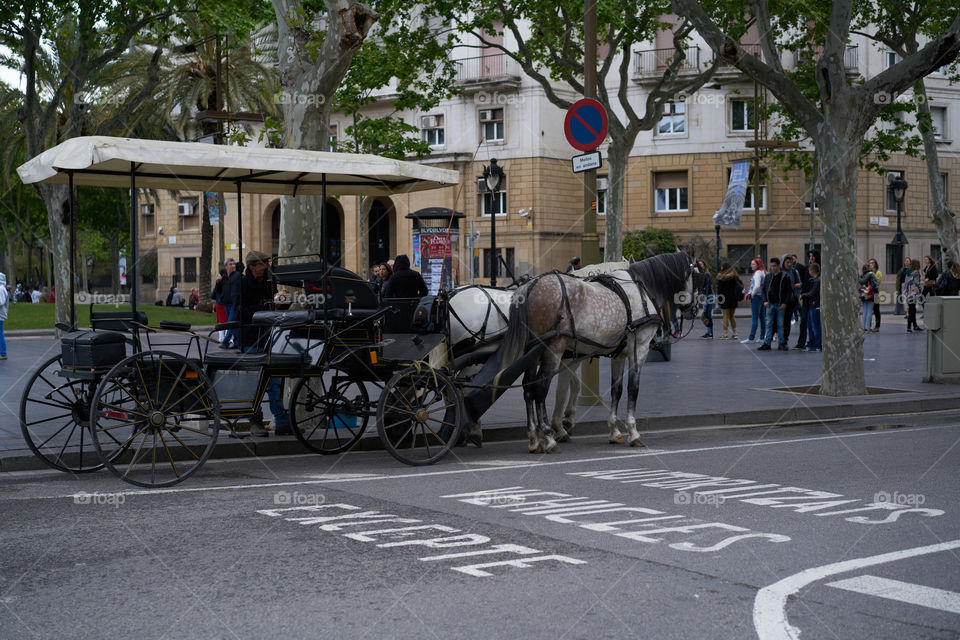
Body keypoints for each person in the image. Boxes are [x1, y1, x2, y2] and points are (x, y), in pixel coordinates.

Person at [239, 250, 290, 436]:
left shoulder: (269, 281)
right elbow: (243, 312)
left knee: (275, 381)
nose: (267, 267)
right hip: (251, 339)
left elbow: (275, 307)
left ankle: (282, 421)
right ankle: (255, 421)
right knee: (254, 383)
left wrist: (284, 302)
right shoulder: (243, 284)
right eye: (263, 264)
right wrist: (270, 306)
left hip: (269, 336)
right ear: (253, 267)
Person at [759, 257, 791, 351]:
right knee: (768, 323)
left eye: (774, 266)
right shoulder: (768, 276)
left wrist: (785, 303)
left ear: (778, 266)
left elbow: (788, 292)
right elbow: (764, 289)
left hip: (780, 304)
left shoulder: (785, 277)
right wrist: (765, 300)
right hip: (770, 304)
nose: (772, 268)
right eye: (771, 266)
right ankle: (767, 343)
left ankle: (781, 343)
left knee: (780, 324)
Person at [742, 258, 766, 344]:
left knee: (755, 319)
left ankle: (751, 338)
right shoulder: (762, 272)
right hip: (762, 297)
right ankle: (762, 337)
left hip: (756, 298)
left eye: (753, 264)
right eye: (751, 264)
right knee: (762, 318)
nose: (751, 266)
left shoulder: (757, 273)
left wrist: (751, 295)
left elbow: (757, 286)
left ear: (758, 265)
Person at [715, 262, 741, 340]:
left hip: (724, 298)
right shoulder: (735, 276)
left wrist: (719, 300)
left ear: (723, 268)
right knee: (732, 316)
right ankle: (735, 333)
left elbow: (720, 290)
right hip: (733, 298)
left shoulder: (721, 278)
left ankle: (725, 334)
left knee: (725, 316)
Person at [220, 258, 241, 349]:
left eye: (233, 264)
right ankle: (237, 342)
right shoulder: (224, 277)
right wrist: (218, 283)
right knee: (234, 324)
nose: (233, 266)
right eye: (230, 264)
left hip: (235, 303)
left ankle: (225, 342)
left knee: (231, 323)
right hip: (226, 304)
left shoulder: (237, 276)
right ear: (226, 266)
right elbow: (219, 290)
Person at [803, 263, 822, 352]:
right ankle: (812, 343)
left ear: (811, 271)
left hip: (815, 305)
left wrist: (803, 295)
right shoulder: (816, 280)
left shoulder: (817, 281)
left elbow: (812, 293)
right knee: (811, 325)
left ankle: (817, 344)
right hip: (813, 305)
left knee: (815, 326)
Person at [901, 259, 922, 332]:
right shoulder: (916, 272)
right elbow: (917, 283)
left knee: (912, 309)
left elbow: (906, 283)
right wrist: (920, 291)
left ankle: (915, 325)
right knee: (912, 310)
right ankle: (909, 327)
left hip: (908, 292)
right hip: (914, 292)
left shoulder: (908, 272)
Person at [859, 264, 880, 332]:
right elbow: (876, 285)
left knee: (864, 310)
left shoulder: (862, 275)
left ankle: (863, 326)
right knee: (870, 311)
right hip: (871, 294)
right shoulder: (872, 274)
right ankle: (868, 327)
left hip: (863, 295)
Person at [868, 258, 882, 332]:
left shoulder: (878, 272)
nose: (871, 264)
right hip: (869, 294)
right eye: (870, 263)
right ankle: (868, 326)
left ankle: (877, 326)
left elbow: (877, 282)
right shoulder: (867, 272)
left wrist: (873, 274)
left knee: (876, 310)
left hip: (876, 294)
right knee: (869, 310)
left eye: (873, 263)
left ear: (875, 264)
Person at [0, 272, 8, 360]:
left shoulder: (1, 289)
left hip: (0, 315)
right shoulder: (2, 288)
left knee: (0, 334)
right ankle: (2, 352)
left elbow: (1, 302)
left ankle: (3, 353)